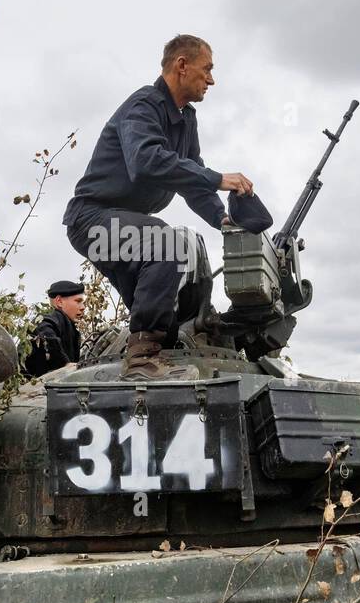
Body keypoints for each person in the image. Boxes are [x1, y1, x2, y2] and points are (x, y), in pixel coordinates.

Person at [62, 34, 254, 380]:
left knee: (172, 292)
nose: (211, 80)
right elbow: (146, 161)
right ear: (182, 66)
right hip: (91, 220)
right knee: (166, 244)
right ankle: (140, 363)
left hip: (125, 225)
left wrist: (222, 218)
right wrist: (217, 178)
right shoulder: (143, 106)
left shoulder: (185, 119)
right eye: (206, 69)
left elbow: (190, 179)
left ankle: (157, 352)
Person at [24, 280, 85, 377]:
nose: (83, 307)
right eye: (78, 301)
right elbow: (45, 333)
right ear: (59, 301)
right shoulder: (47, 320)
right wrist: (63, 363)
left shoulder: (69, 328)